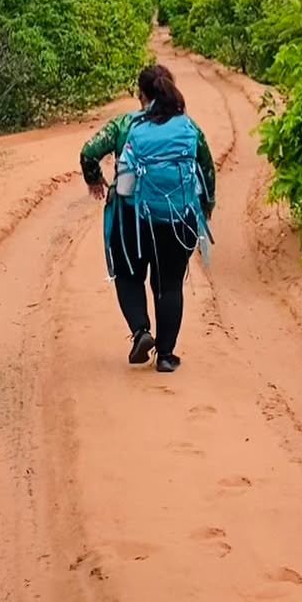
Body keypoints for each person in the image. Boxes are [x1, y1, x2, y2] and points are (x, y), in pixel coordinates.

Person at [80, 65, 215, 373]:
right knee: (168, 285)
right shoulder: (188, 126)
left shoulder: (125, 124)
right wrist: (206, 206)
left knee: (129, 277)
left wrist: (95, 180)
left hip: (131, 218)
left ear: (140, 93)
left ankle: (141, 331)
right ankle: (166, 356)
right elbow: (206, 168)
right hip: (178, 217)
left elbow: (89, 151)